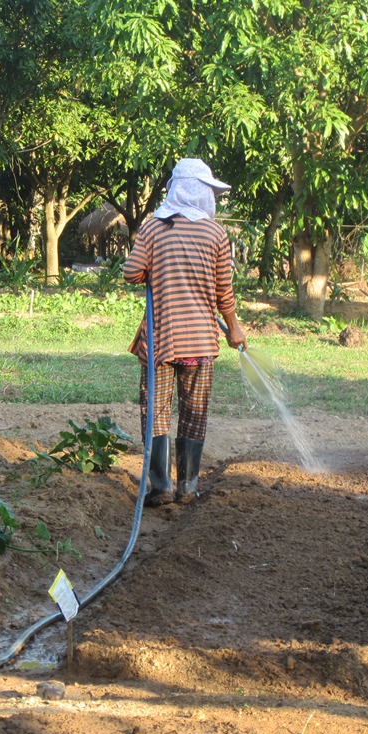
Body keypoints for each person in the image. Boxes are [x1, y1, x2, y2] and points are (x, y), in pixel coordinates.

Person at [123, 158, 247, 506]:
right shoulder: (215, 233)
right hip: (201, 341)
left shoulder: (151, 228)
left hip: (160, 340)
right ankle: (188, 486)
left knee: (156, 411)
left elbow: (132, 273)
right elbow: (224, 291)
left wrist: (152, 268)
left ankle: (160, 486)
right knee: (194, 412)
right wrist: (234, 329)